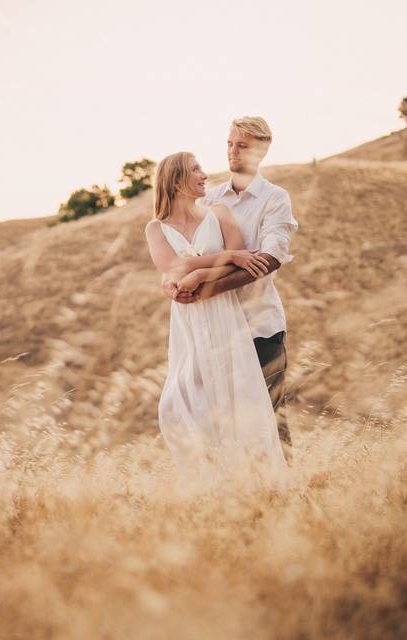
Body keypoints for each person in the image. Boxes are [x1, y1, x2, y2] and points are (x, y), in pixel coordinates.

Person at [144, 150, 288, 492]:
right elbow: (172, 267)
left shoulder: (219, 212)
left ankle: (252, 486)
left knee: (236, 398)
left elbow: (242, 261)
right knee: (176, 404)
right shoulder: (156, 228)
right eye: (196, 169)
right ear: (177, 180)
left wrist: (201, 275)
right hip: (188, 322)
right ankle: (205, 479)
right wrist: (224, 258)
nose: (205, 174)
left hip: (224, 314)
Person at [162, 116, 299, 465]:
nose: (233, 152)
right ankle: (236, 504)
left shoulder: (274, 199)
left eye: (243, 145)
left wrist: (205, 287)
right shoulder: (209, 197)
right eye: (229, 144)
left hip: (258, 325)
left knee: (269, 420)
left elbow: (268, 260)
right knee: (221, 420)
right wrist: (173, 280)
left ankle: (290, 501)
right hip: (213, 330)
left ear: (262, 150)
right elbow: (184, 251)